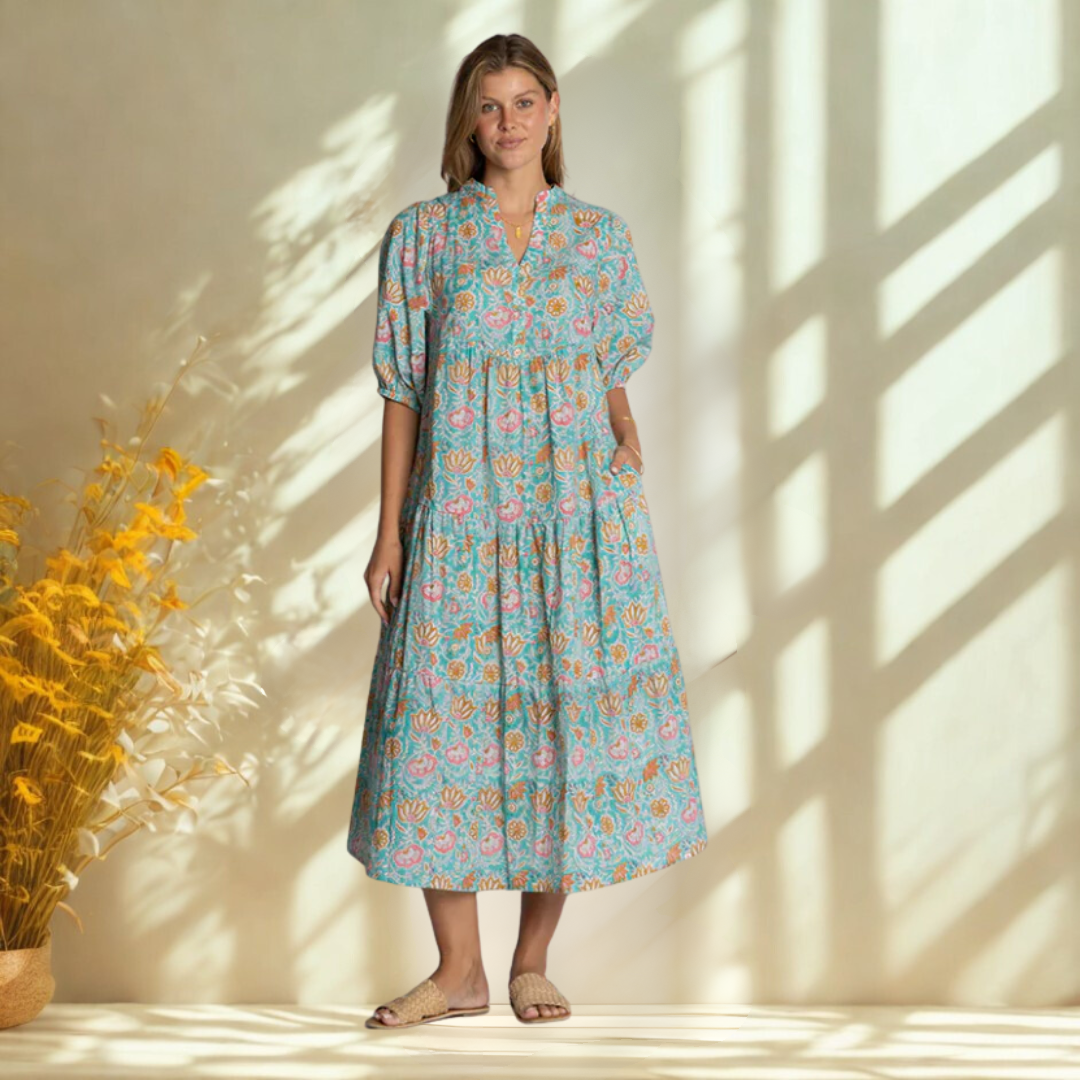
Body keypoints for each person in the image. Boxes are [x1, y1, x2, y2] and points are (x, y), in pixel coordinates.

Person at [347, 32, 708, 1029]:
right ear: (467, 120)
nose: (506, 122)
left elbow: (607, 363)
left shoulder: (597, 238)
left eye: (523, 101)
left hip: (575, 516)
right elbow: (403, 392)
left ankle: (530, 960)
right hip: (461, 515)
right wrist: (390, 534)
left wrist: (625, 430)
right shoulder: (425, 237)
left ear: (552, 110)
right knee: (440, 728)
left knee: (564, 725)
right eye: (487, 104)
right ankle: (457, 969)